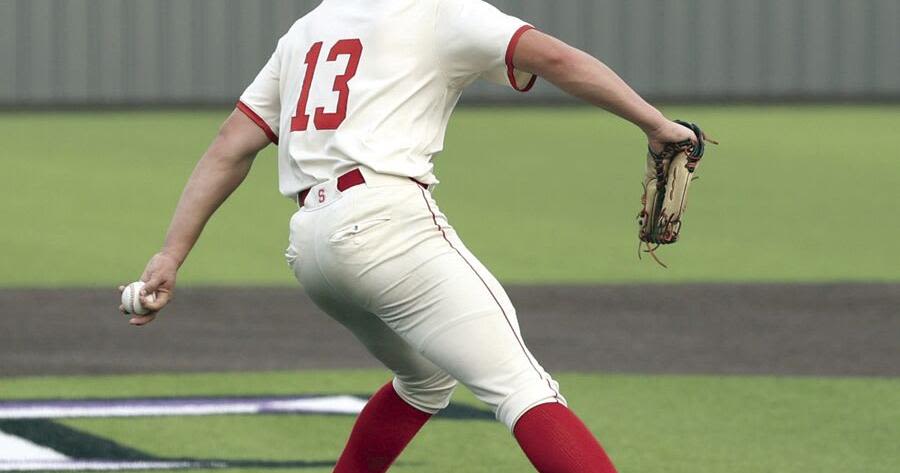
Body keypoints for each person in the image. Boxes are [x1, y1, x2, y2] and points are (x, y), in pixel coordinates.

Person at [121, 1, 696, 471]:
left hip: (313, 246)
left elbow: (231, 143)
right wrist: (657, 124)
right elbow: (555, 57)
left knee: (424, 380)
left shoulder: (309, 27)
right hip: (385, 221)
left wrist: (171, 252)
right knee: (522, 387)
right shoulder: (438, 11)